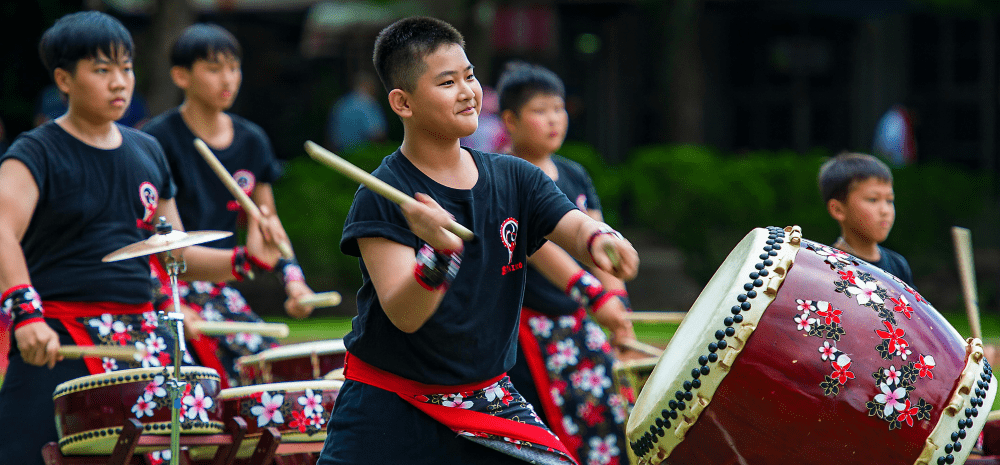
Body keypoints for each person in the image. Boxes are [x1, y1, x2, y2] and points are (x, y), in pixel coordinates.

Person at [315, 16, 639, 465]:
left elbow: (575, 226)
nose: (468, 91)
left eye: (469, 75)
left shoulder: (514, 178)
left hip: (487, 399)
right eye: (447, 82)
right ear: (402, 102)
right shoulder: (382, 195)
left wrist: (603, 239)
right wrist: (439, 255)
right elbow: (405, 315)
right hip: (391, 402)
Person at [0, 12, 283, 464]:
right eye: (102, 70)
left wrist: (243, 261)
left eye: (126, 68)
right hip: (61, 334)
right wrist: (26, 312)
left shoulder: (147, 150)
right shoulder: (35, 152)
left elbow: (174, 251)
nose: (119, 82)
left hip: (141, 340)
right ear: (63, 80)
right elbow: (2, 230)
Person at [143, 23, 316, 387]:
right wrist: (165, 300)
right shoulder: (155, 141)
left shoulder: (252, 141)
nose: (228, 79)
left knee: (271, 374)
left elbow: (268, 223)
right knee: (192, 386)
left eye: (234, 67)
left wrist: (294, 283)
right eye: (213, 68)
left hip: (219, 285)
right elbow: (147, 240)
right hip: (163, 287)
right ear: (180, 75)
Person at [497, 61, 639, 465]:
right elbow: (538, 249)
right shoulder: (502, 175)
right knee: (547, 434)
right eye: (540, 111)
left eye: (558, 109)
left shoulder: (575, 175)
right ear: (510, 120)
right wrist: (598, 299)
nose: (554, 120)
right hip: (525, 327)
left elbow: (601, 250)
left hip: (579, 320)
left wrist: (620, 310)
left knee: (610, 422)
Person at [818, 152, 914, 287]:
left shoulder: (898, 265)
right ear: (838, 210)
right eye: (873, 199)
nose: (885, 210)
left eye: (889, 200)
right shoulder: (827, 266)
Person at [326, 71, 387, 153]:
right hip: (364, 157)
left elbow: (330, 136)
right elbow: (377, 134)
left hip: (341, 155)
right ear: (369, 85)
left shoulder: (341, 103)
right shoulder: (368, 103)